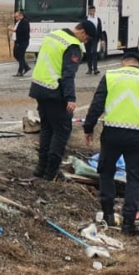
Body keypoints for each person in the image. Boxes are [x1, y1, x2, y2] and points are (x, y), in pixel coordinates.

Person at [82, 49, 139, 236]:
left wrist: (88, 128)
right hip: (138, 136)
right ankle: (128, 223)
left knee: (106, 172)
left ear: (124, 62)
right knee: (134, 178)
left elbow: (97, 104)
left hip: (112, 133)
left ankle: (108, 215)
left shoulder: (111, 76)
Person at [29, 22, 90, 180]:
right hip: (54, 91)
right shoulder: (73, 45)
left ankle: (40, 169)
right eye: (87, 37)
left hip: (38, 87)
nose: (86, 41)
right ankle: (51, 173)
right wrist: (70, 98)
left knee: (47, 128)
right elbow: (68, 74)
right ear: (82, 31)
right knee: (62, 131)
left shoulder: (53, 35)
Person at [83, 5, 103, 74]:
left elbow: (100, 29)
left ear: (95, 11)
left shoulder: (97, 19)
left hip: (95, 37)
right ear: (88, 11)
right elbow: (82, 28)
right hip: (87, 38)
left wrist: (102, 39)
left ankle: (95, 69)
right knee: (88, 53)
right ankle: (89, 69)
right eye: (90, 11)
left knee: (94, 52)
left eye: (93, 11)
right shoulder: (86, 19)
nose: (92, 12)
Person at [12, 10, 31, 77]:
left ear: (21, 15)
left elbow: (23, 31)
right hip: (18, 41)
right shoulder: (19, 22)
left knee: (21, 56)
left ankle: (20, 71)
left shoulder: (25, 22)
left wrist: (14, 30)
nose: (15, 18)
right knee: (16, 54)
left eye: (16, 16)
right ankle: (26, 67)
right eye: (15, 17)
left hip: (23, 42)